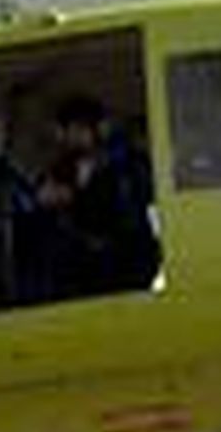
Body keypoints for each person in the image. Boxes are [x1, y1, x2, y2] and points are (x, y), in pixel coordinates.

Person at [33, 96, 159, 300]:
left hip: (127, 260)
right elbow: (44, 196)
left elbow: (138, 200)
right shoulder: (65, 165)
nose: (72, 137)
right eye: (70, 130)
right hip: (88, 265)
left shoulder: (125, 161)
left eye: (78, 129)